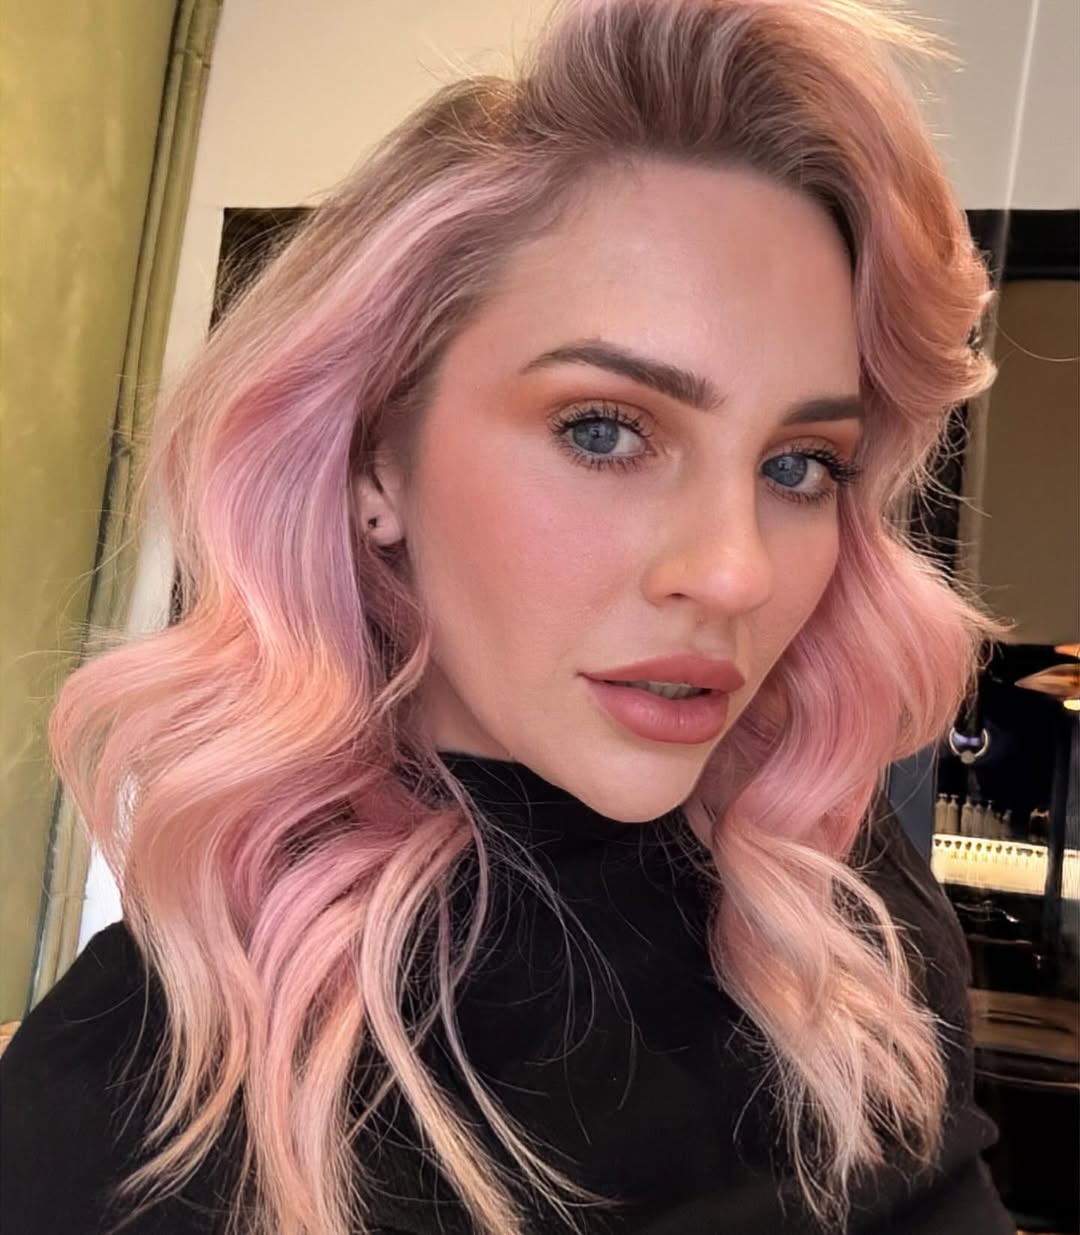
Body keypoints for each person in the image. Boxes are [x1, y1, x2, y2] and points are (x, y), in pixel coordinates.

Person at [1, 1, 1020, 1232]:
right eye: (605, 430)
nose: (736, 572)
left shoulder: (838, 918)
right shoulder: (135, 1104)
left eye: (799, 463)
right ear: (376, 461)